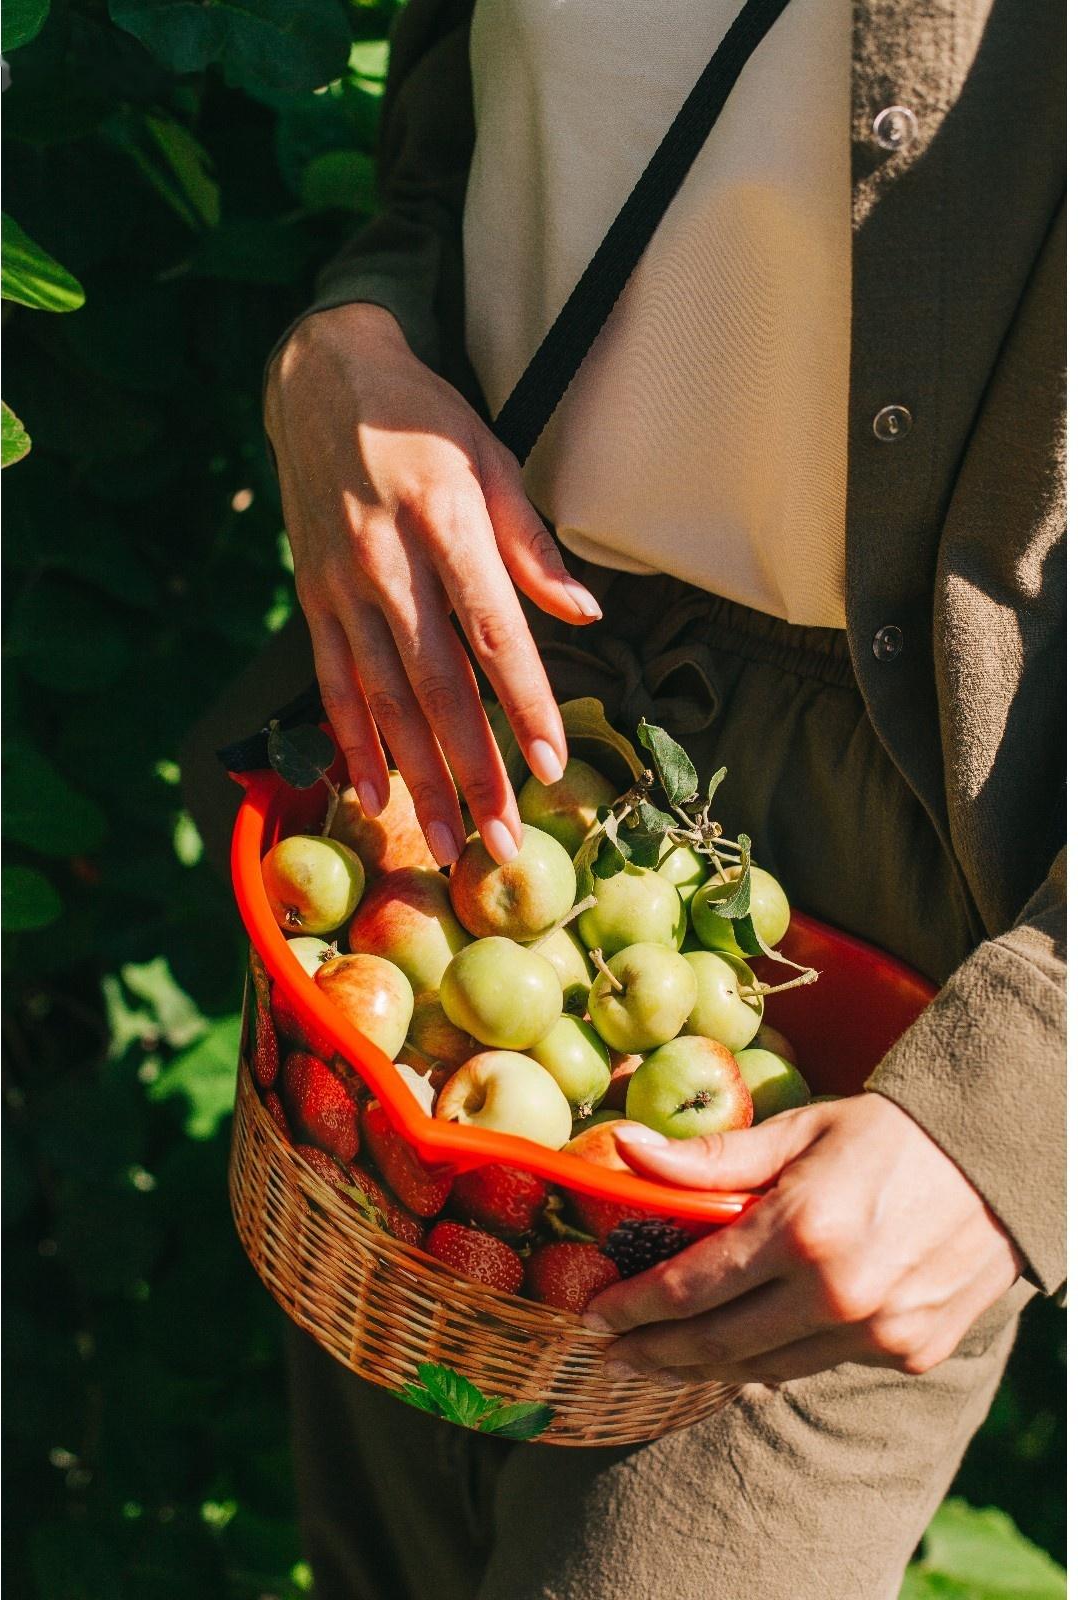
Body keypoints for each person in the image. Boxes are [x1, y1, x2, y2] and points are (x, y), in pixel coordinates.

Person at [181, 1, 1065, 1595]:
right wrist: (351, 349)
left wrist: (1030, 1106)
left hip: (902, 884)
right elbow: (472, 142)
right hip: (476, 739)